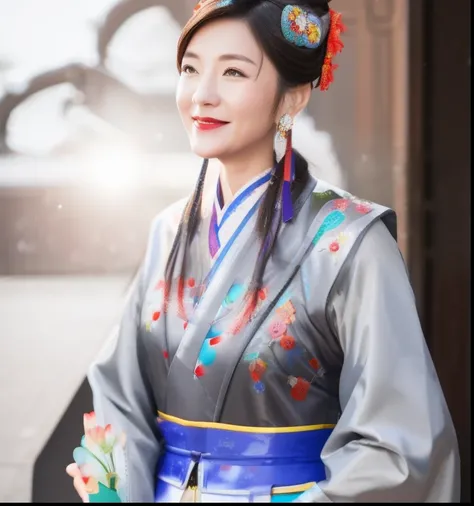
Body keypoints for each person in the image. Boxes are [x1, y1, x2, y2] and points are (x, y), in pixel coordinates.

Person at [66, 0, 460, 502]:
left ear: (292, 98)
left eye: (233, 72)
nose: (201, 95)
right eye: (190, 68)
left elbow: (399, 447)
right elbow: (119, 399)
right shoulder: (168, 230)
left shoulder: (349, 243)